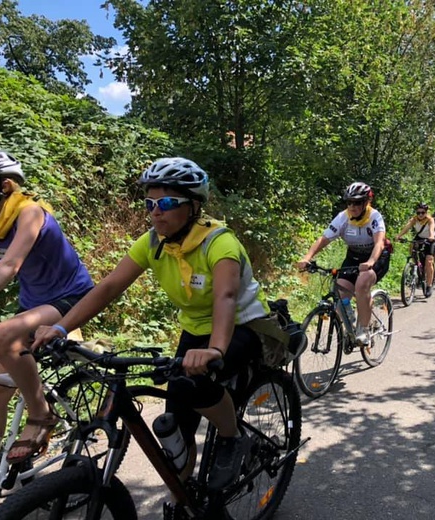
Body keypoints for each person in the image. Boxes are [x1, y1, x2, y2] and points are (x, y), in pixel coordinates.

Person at [32, 157, 269, 490]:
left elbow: (225, 298)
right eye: (150, 203)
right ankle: (182, 494)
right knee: (177, 421)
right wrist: (60, 327)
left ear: (193, 206)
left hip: (241, 325)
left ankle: (232, 439)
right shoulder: (154, 242)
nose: (156, 211)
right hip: (195, 330)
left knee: (197, 384)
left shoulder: (220, 243)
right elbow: (110, 286)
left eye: (168, 203)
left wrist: (214, 349)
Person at [0, 147, 93, 463]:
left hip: (71, 297)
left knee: (3, 335)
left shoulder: (30, 212)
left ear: (3, 186)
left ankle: (42, 415)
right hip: (33, 305)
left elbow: (8, 266)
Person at [296, 182, 390, 346]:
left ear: (367, 202)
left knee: (362, 284)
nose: (352, 206)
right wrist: (307, 257)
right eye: (349, 202)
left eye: (357, 202)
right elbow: (323, 239)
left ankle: (364, 330)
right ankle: (352, 321)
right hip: (354, 257)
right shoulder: (343, 217)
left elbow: (379, 243)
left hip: (376, 257)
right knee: (340, 291)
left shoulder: (374, 217)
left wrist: (370, 262)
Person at [395, 202, 435, 297]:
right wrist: (399, 236)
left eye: (423, 212)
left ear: (426, 212)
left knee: (429, 262)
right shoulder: (414, 219)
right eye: (418, 212)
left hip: (429, 239)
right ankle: (415, 268)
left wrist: (431, 236)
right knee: (412, 245)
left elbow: (431, 229)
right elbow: (407, 227)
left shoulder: (430, 220)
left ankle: (429, 285)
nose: (420, 214)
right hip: (419, 237)